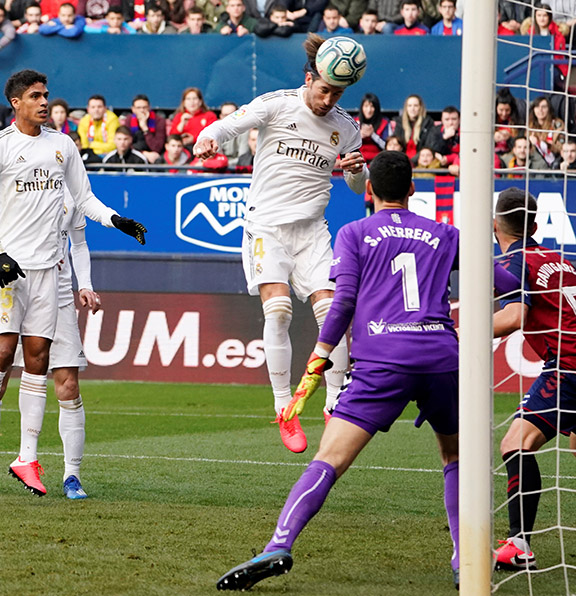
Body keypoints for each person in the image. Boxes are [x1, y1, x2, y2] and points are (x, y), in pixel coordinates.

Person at [214, 151, 522, 591]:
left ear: (370, 190)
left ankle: (279, 544)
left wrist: (317, 362)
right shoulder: (445, 234)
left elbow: (342, 302)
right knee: (455, 458)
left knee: (329, 460)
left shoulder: (354, 233)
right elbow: (507, 284)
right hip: (440, 358)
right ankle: (464, 559)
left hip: (382, 361)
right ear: (412, 189)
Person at [0, 69, 147, 496]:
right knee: (1, 353)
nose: (44, 102)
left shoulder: (63, 146)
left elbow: (84, 198)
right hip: (9, 268)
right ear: (16, 103)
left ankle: (27, 458)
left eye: (46, 95)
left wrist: (115, 220)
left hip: (49, 271)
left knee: (38, 362)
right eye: (35, 96)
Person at [193, 33, 366, 453]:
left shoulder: (346, 128)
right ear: (309, 79)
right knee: (280, 310)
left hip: (312, 231)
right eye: (324, 90)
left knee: (333, 313)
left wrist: (355, 171)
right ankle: (284, 407)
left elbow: (359, 187)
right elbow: (229, 124)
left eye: (337, 93)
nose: (328, 100)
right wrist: (207, 137)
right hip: (266, 227)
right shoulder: (277, 104)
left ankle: (335, 403)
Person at [0, 191, 101, 499]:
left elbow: (79, 243)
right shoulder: (7, 185)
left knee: (68, 386)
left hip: (58, 297)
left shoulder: (72, 192)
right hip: (12, 289)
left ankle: (72, 475)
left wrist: (85, 285)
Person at [492, 188, 576, 572]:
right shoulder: (561, 260)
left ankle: (519, 544)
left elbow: (514, 317)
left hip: (568, 367)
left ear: (495, 225)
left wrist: (455, 334)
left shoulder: (515, 261)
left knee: (516, 443)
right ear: (536, 226)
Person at [393, 94, 445, 160]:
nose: (412, 109)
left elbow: (428, 146)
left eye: (416, 106)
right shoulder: (399, 123)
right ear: (406, 108)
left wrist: (412, 161)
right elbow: (396, 144)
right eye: (409, 106)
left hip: (421, 160)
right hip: (402, 160)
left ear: (420, 108)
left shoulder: (428, 123)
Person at [126, 94, 166, 164]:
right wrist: (143, 153)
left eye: (144, 107)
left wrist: (145, 129)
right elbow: (125, 144)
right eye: (138, 108)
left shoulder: (159, 121)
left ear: (149, 108)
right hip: (134, 154)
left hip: (154, 156)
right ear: (133, 109)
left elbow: (157, 147)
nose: (142, 110)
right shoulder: (129, 120)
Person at [528, 95, 565, 169]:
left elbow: (562, 148)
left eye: (544, 107)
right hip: (536, 163)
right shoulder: (530, 126)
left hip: (555, 163)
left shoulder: (557, 124)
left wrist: (542, 144)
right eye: (537, 106)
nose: (540, 110)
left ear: (549, 109)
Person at [355, 92, 391, 163]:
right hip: (358, 159)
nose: (369, 110)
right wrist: (360, 135)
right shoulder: (354, 122)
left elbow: (387, 146)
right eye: (366, 106)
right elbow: (346, 145)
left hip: (378, 160)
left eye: (372, 106)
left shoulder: (384, 123)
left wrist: (372, 135)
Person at [495, 88, 522, 155]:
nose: (504, 114)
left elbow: (520, 144)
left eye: (507, 110)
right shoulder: (489, 122)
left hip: (510, 155)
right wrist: (493, 138)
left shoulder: (517, 122)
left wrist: (509, 138)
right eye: (501, 110)